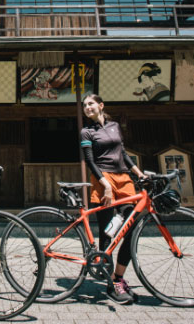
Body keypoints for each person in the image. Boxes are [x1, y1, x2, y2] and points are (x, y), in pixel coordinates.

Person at [80, 93, 146, 305]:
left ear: (101, 105)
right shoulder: (86, 131)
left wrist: (139, 173)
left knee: (131, 227)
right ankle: (111, 283)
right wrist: (105, 184)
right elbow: (90, 161)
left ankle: (119, 277)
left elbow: (123, 153)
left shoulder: (115, 126)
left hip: (124, 178)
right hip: (103, 178)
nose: (87, 107)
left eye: (91, 104)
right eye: (84, 105)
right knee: (107, 231)